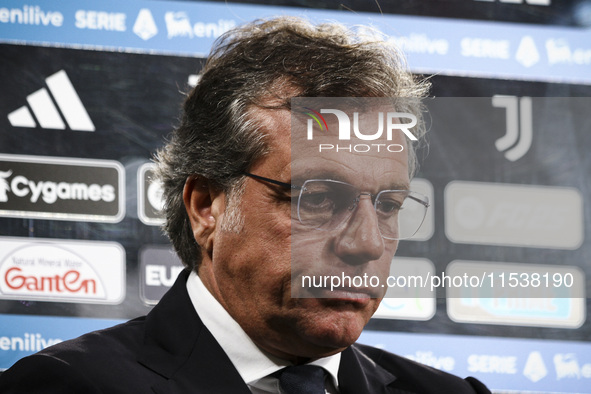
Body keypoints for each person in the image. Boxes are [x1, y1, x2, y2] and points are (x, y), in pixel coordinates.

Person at [0, 17, 490, 393]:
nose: (365, 243)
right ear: (206, 206)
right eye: (317, 199)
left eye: (388, 205)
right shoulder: (68, 385)